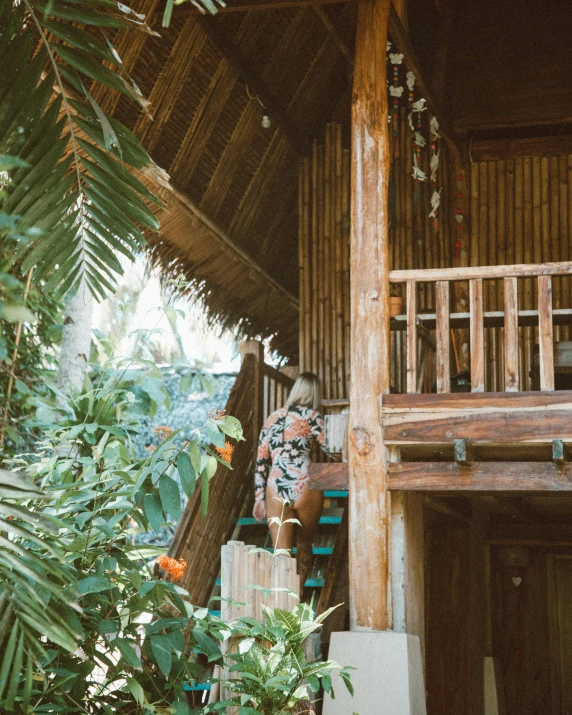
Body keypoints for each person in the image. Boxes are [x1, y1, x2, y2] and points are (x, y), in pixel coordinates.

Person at [253, 372, 325, 588]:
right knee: (304, 544)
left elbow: (261, 461)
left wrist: (259, 498)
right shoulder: (313, 416)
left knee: (281, 553)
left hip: (275, 486)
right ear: (315, 393)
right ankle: (296, 601)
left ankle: (280, 605)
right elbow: (332, 450)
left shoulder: (272, 418)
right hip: (303, 483)